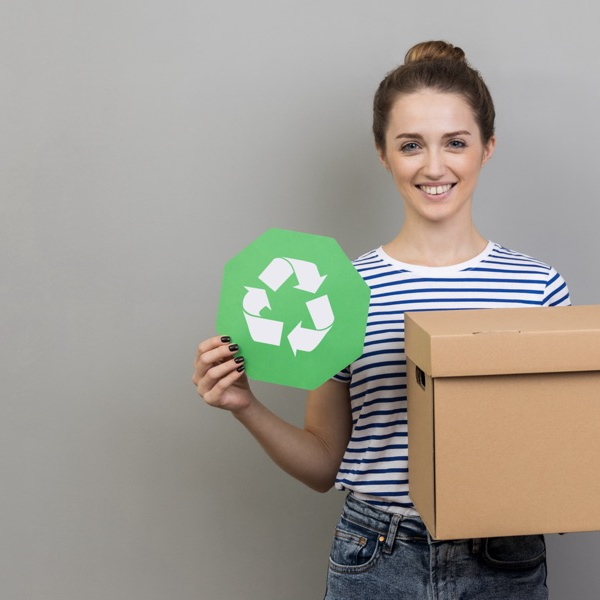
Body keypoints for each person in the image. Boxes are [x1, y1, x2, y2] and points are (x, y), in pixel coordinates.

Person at [192, 40, 571, 599]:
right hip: (377, 559)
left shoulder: (538, 288)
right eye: (411, 145)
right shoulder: (341, 291)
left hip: (503, 559)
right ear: (383, 152)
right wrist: (244, 405)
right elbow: (324, 463)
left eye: (456, 143)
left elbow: (564, 449)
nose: (434, 166)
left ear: (487, 148)